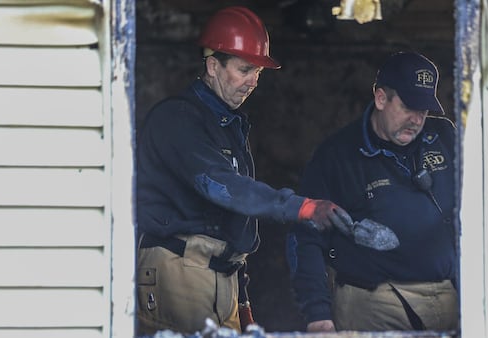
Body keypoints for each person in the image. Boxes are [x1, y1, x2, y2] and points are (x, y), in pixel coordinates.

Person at [135, 6, 353, 336]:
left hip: (224, 277)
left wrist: (243, 302)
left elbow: (233, 222)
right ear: (212, 65)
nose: (253, 81)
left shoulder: (230, 126)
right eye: (245, 69)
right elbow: (221, 187)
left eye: (258, 73)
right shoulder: (178, 120)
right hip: (180, 269)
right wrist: (302, 207)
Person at [286, 51, 459, 333]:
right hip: (372, 301)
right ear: (381, 98)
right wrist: (317, 312)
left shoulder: (444, 137)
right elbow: (305, 236)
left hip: (444, 295)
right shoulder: (337, 155)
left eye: (424, 111)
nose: (417, 120)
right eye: (408, 107)